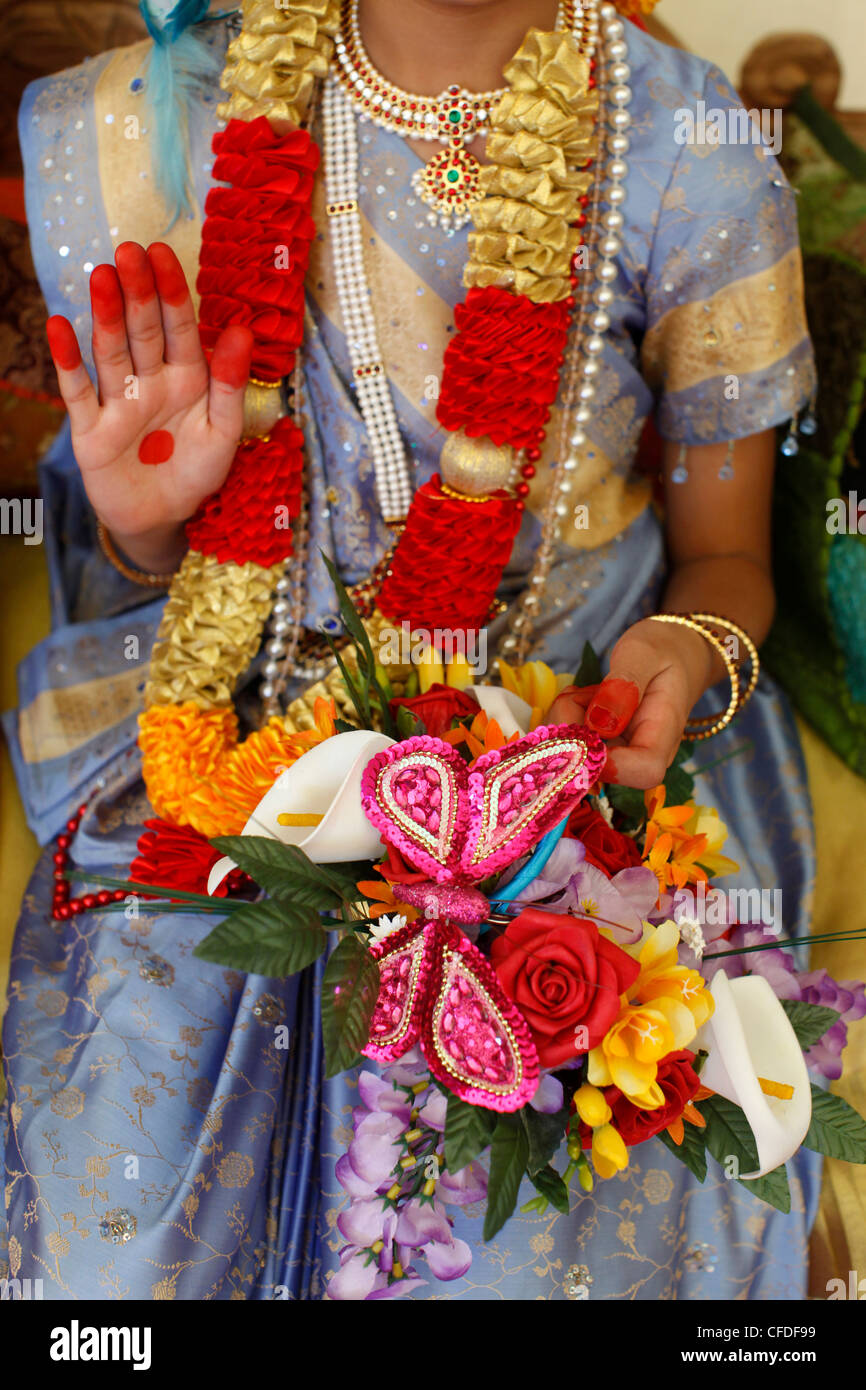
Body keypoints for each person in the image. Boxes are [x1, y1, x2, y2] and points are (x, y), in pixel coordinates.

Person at [2, 0, 820, 1299]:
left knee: (529, 1236)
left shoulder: (690, 152)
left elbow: (726, 559)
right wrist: (146, 524)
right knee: (125, 1214)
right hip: (250, 727)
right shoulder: (162, 124)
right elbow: (147, 566)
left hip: (561, 750)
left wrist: (687, 638)